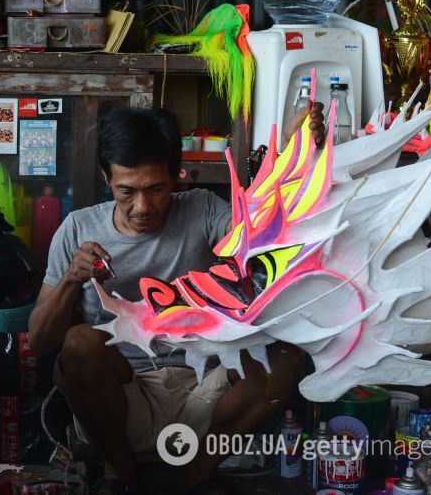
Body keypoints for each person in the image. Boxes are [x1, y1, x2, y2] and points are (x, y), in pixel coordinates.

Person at [28, 105, 325, 495]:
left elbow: (266, 232)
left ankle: (195, 477)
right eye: (126, 191)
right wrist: (71, 278)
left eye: (156, 188)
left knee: (284, 352)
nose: (142, 208)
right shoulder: (78, 229)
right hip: (118, 399)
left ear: (176, 176)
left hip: (207, 394)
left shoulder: (201, 209)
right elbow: (39, 341)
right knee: (79, 342)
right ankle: (122, 477)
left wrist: (292, 155)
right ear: (106, 178)